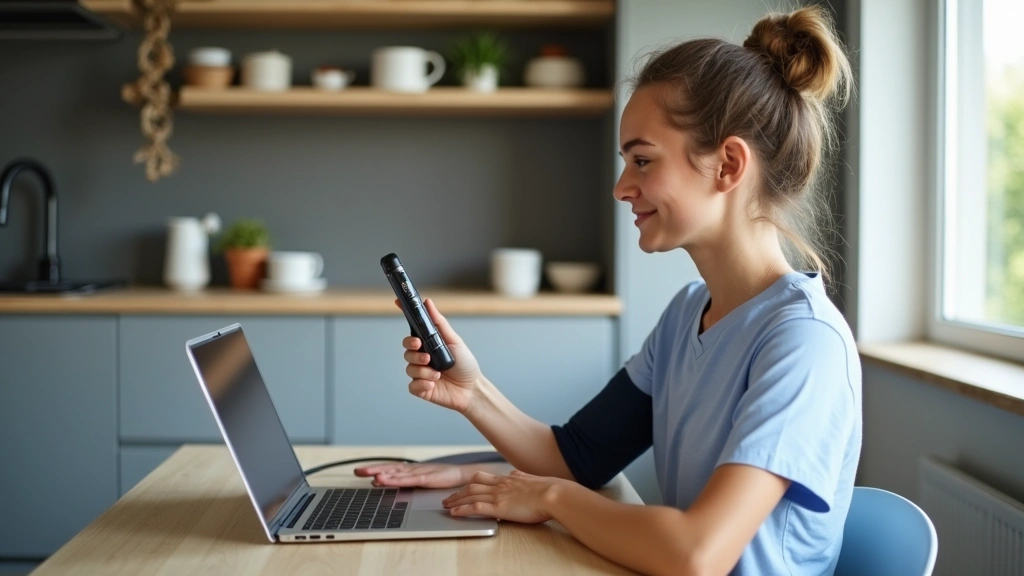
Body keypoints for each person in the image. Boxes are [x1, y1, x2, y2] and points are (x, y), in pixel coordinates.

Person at [355, 6, 861, 575]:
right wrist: (472, 393)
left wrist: (546, 498)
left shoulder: (804, 344)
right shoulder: (688, 315)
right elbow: (578, 458)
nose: (623, 188)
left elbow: (698, 554)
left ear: (727, 165)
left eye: (642, 160)